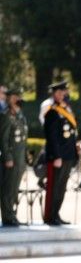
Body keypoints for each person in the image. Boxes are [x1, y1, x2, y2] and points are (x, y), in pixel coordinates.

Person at [42, 80, 77, 225]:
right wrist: (56, 156)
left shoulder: (66, 110)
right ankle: (50, 216)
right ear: (55, 94)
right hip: (58, 156)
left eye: (64, 92)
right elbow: (52, 137)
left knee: (62, 187)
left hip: (68, 155)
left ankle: (56, 213)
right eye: (61, 92)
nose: (64, 95)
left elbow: (70, 133)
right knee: (54, 187)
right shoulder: (52, 112)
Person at [0, 88, 28, 226]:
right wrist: (8, 157)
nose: (19, 98)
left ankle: (12, 214)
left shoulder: (20, 114)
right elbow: (3, 139)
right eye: (16, 96)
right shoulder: (6, 115)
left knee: (15, 188)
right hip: (11, 158)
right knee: (8, 188)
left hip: (20, 158)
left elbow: (23, 138)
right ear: (10, 98)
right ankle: (7, 216)